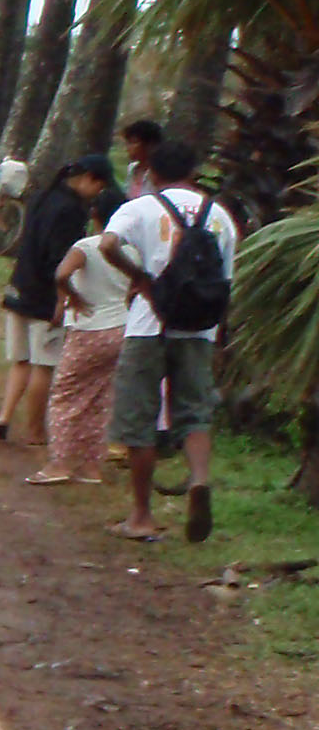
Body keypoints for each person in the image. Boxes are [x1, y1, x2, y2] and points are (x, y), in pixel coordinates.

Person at [101, 138, 242, 544]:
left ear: (151, 173)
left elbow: (108, 244)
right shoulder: (221, 217)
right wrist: (218, 338)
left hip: (150, 325)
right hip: (199, 330)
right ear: (194, 173)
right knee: (196, 413)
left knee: (139, 419)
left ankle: (141, 515)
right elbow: (226, 283)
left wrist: (140, 277)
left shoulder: (141, 207)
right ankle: (198, 481)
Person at [0, 157, 116, 455]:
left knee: (20, 361)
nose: (97, 194)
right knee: (44, 365)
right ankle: (35, 430)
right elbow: (59, 260)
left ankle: (4, 417)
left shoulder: (42, 196)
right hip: (45, 294)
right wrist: (64, 297)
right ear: (88, 178)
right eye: (98, 186)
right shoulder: (71, 211)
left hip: (19, 285)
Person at [30, 163, 129, 489]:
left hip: (89, 329)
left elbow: (60, 273)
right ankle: (91, 466)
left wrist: (69, 296)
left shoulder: (86, 247)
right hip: (121, 329)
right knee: (100, 398)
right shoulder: (131, 251)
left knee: (65, 393)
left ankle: (60, 461)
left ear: (95, 213)